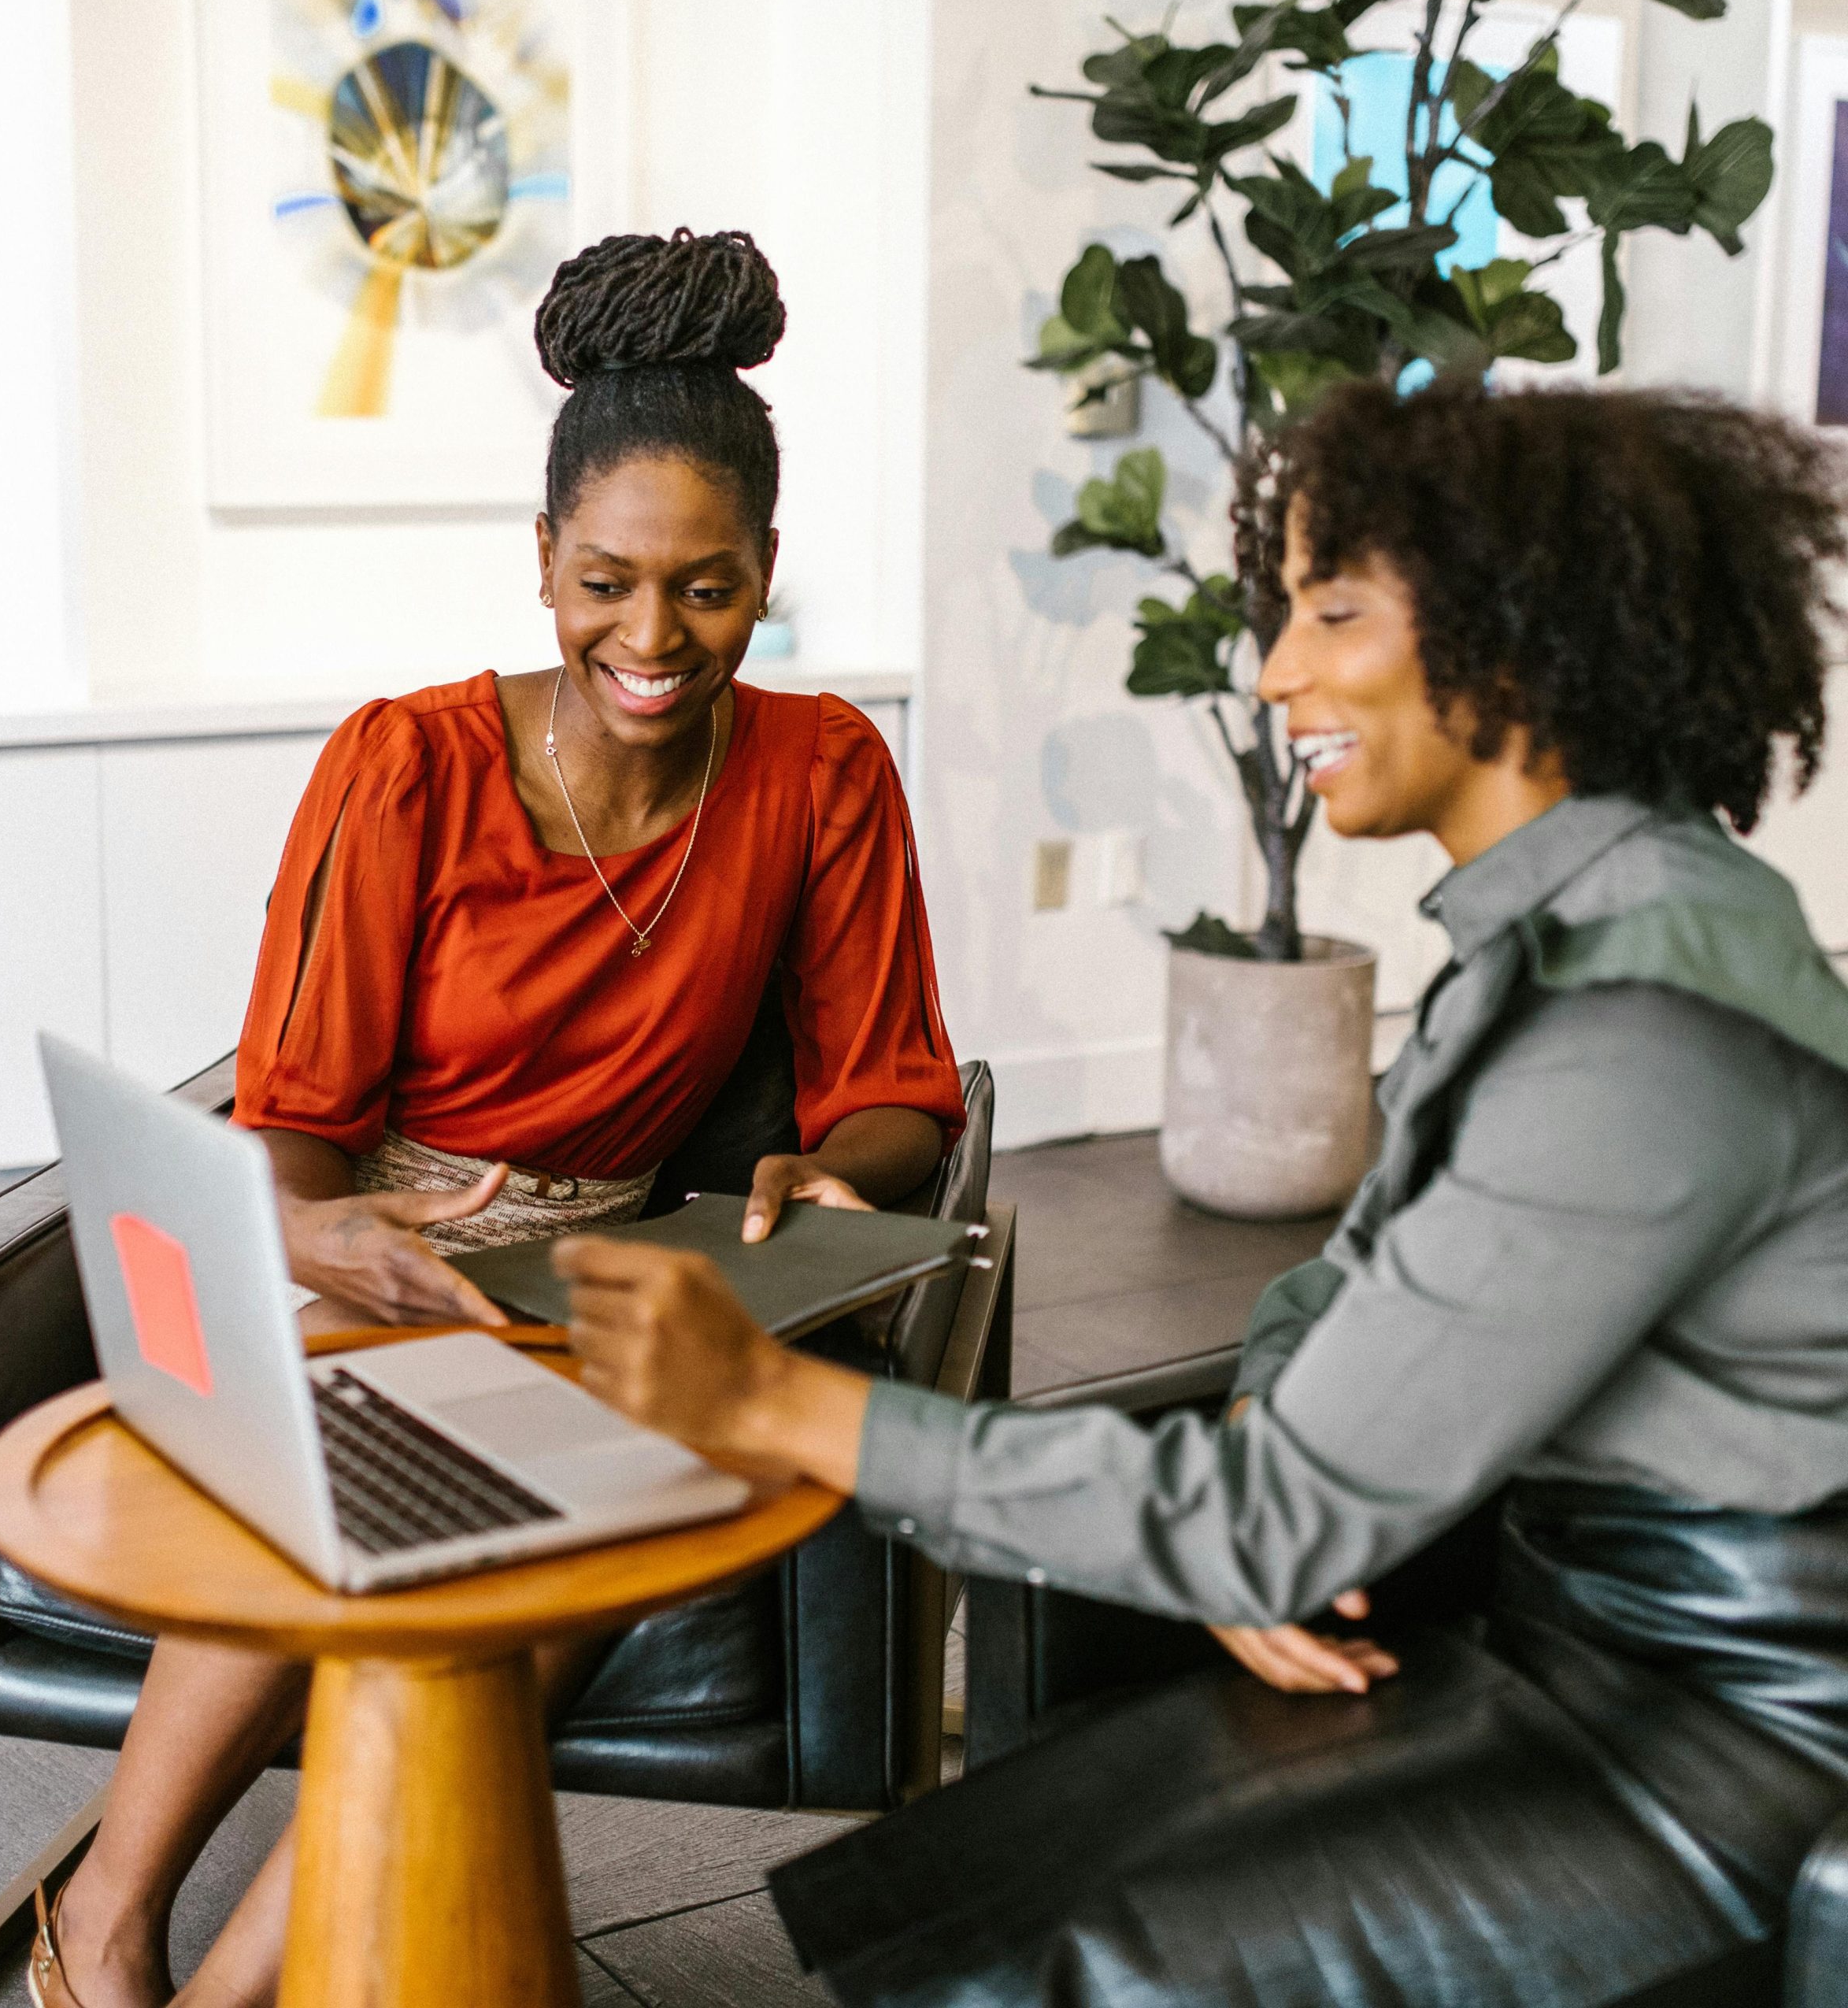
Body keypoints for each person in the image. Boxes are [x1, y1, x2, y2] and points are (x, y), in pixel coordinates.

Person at [557, 379, 1848, 2007]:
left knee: (1086, 1950)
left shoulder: (1633, 1028)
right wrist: (1265, 1440)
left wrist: (769, 1400)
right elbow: (1342, 1279)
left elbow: (1281, 1511)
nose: (1276, 669)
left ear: (1517, 634)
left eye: (1330, 611)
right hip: (1576, 1629)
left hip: (1726, 1748)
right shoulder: (1568, 931)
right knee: (989, 1876)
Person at [29, 228, 967, 2008]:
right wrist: (320, 1241)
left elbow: (898, 1089)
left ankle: (232, 1991)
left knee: (525, 1583)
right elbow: (290, 1130)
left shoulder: (822, 770)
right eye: (606, 579)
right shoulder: (404, 765)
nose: (652, 634)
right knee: (318, 1469)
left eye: (705, 586)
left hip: (612, 1270)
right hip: (378, 1237)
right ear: (542, 559)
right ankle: (107, 1917)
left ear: (765, 570)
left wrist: (833, 1166)